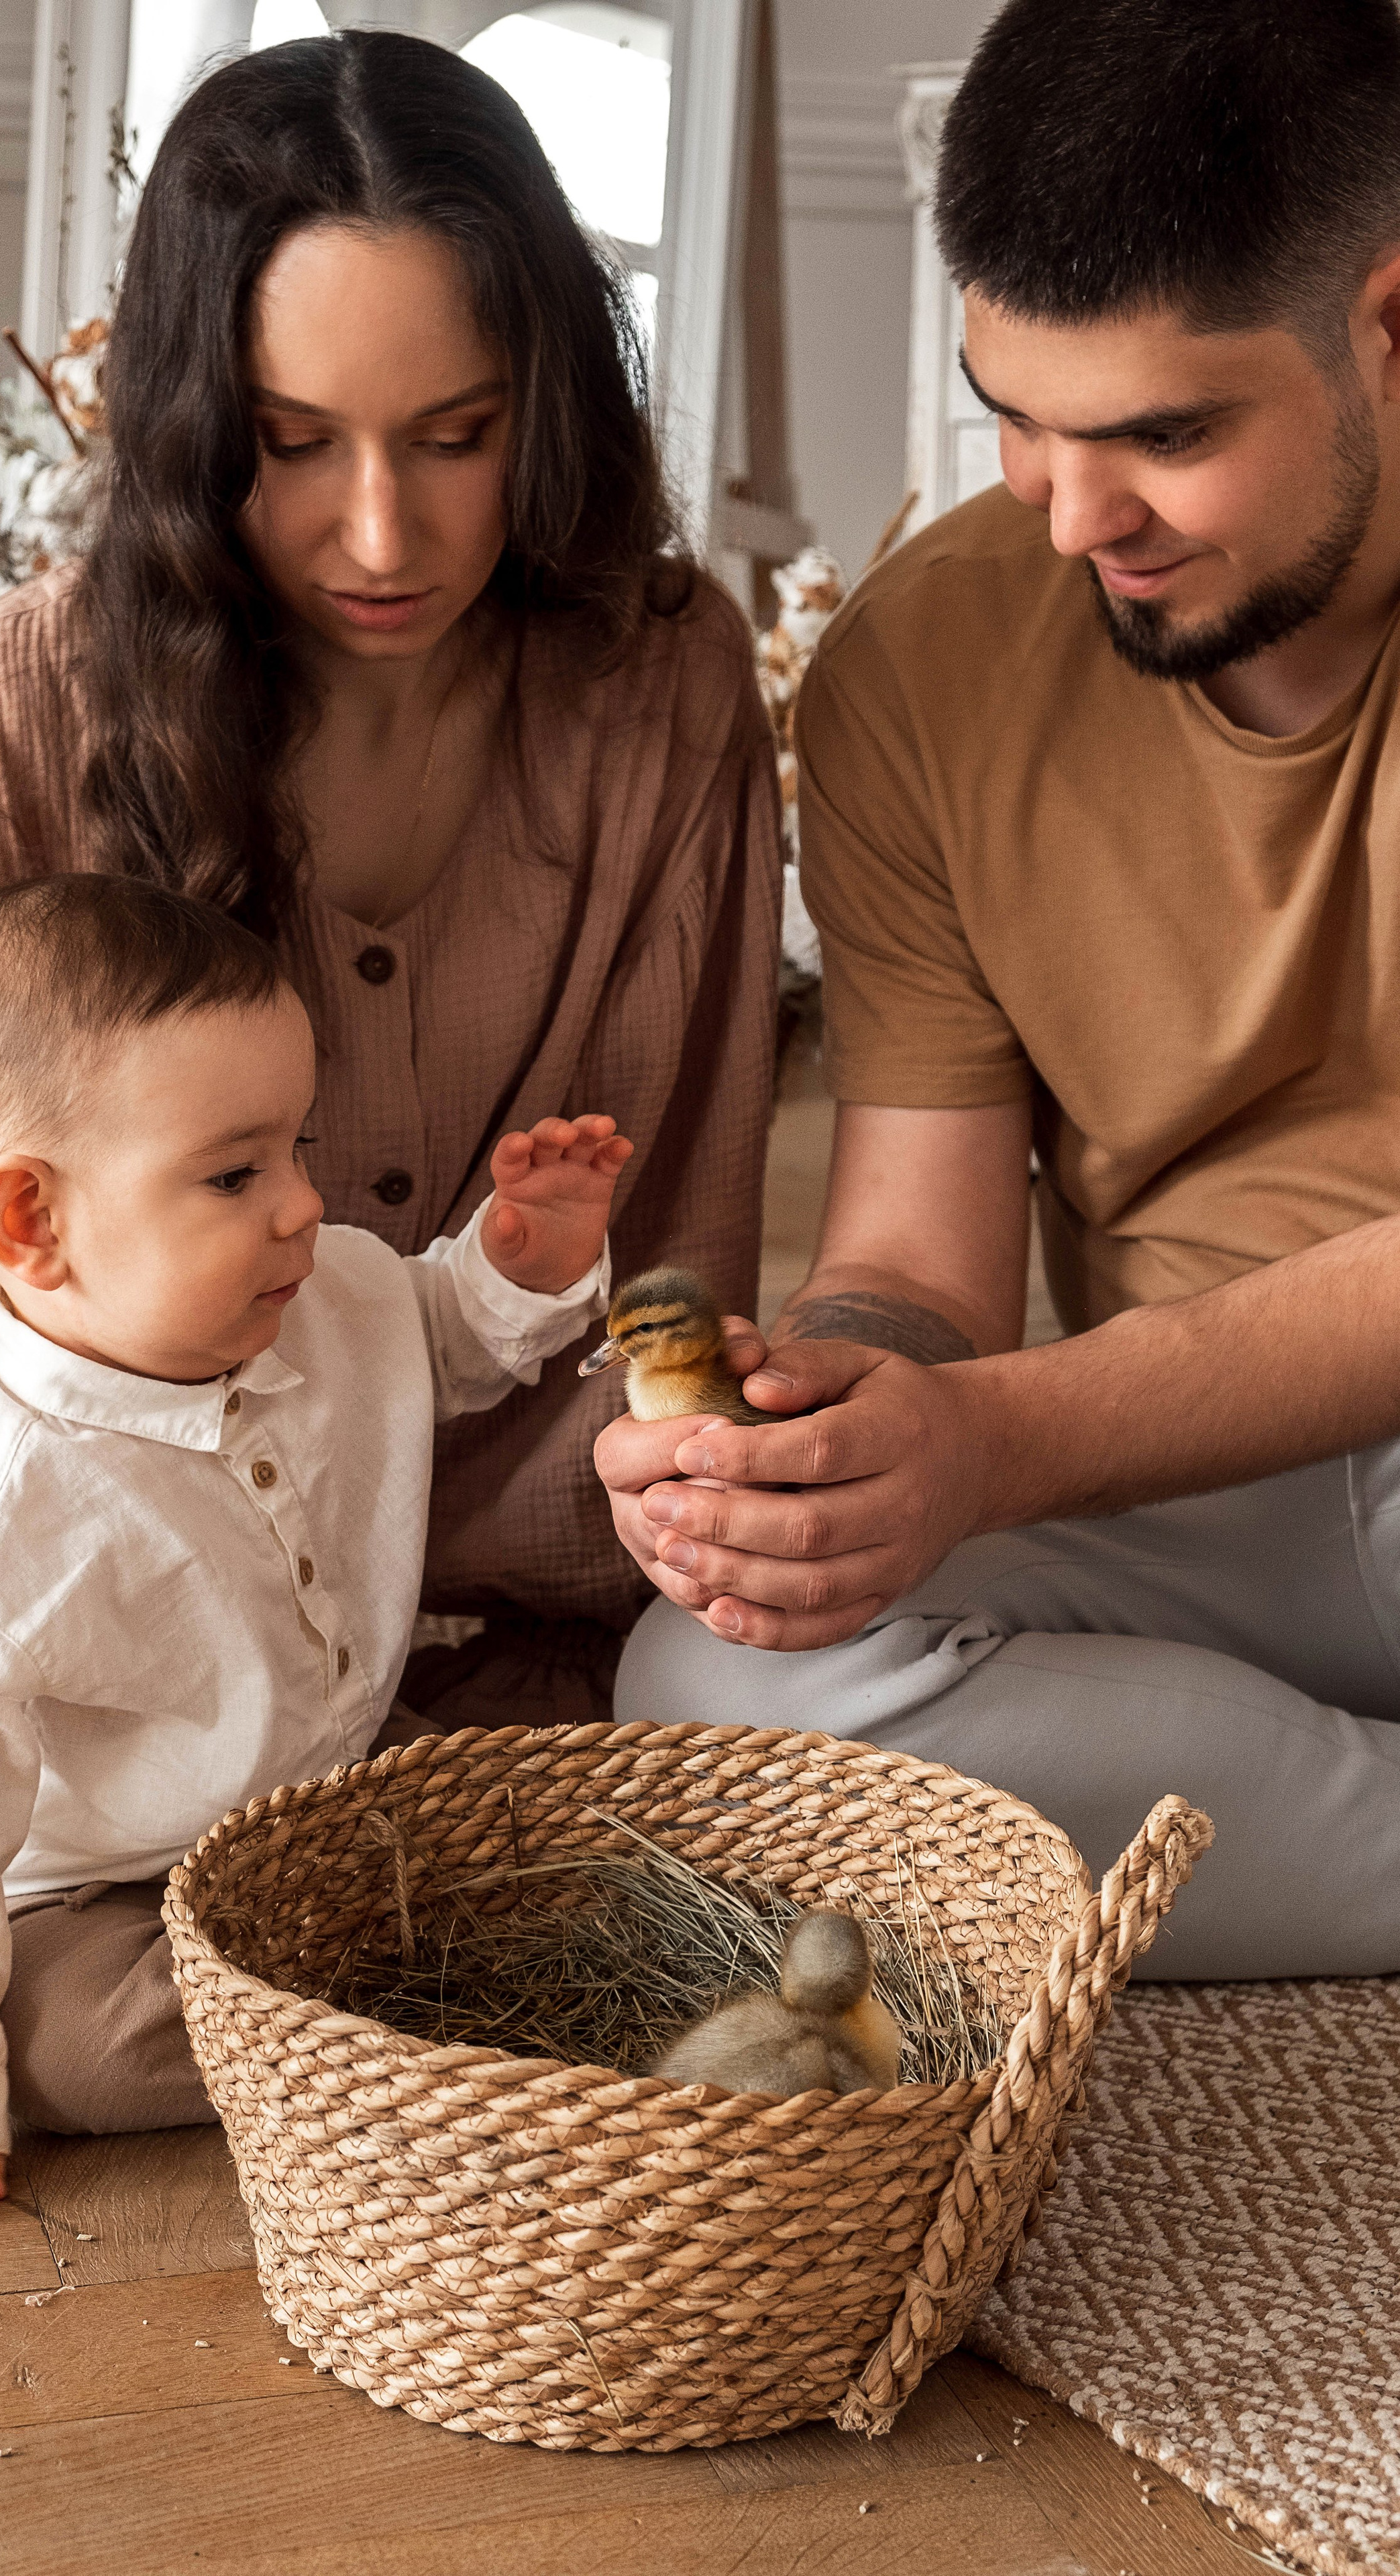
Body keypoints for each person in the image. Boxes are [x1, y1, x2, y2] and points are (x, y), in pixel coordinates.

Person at [0, 32, 779, 1964]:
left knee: (744, 1746)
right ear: (199, 420)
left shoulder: (661, 685)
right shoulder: (25, 699)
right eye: (295, 443)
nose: (385, 534)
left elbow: (673, 1214)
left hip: (509, 1614)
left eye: (459, 435)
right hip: (44, 1601)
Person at [604, 0, 1400, 1982]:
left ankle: (1255, 1839)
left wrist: (1004, 1440)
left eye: (1163, 433)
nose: (1070, 515)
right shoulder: (924, 661)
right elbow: (923, 1264)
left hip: (1159, 1440)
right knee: (712, 1682)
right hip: (1204, 1490)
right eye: (1016, 414)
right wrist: (838, 1427)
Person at [0, 873, 628, 2243]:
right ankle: (395, 2036)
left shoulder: (322, 1292)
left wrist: (516, 1274)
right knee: (67, 2048)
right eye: (236, 1174)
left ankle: (408, 1990)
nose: (303, 1206)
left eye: (297, 1149)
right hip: (103, 1886)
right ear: (31, 1224)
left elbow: (431, 1338)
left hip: (335, 1776)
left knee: (533, 1818)